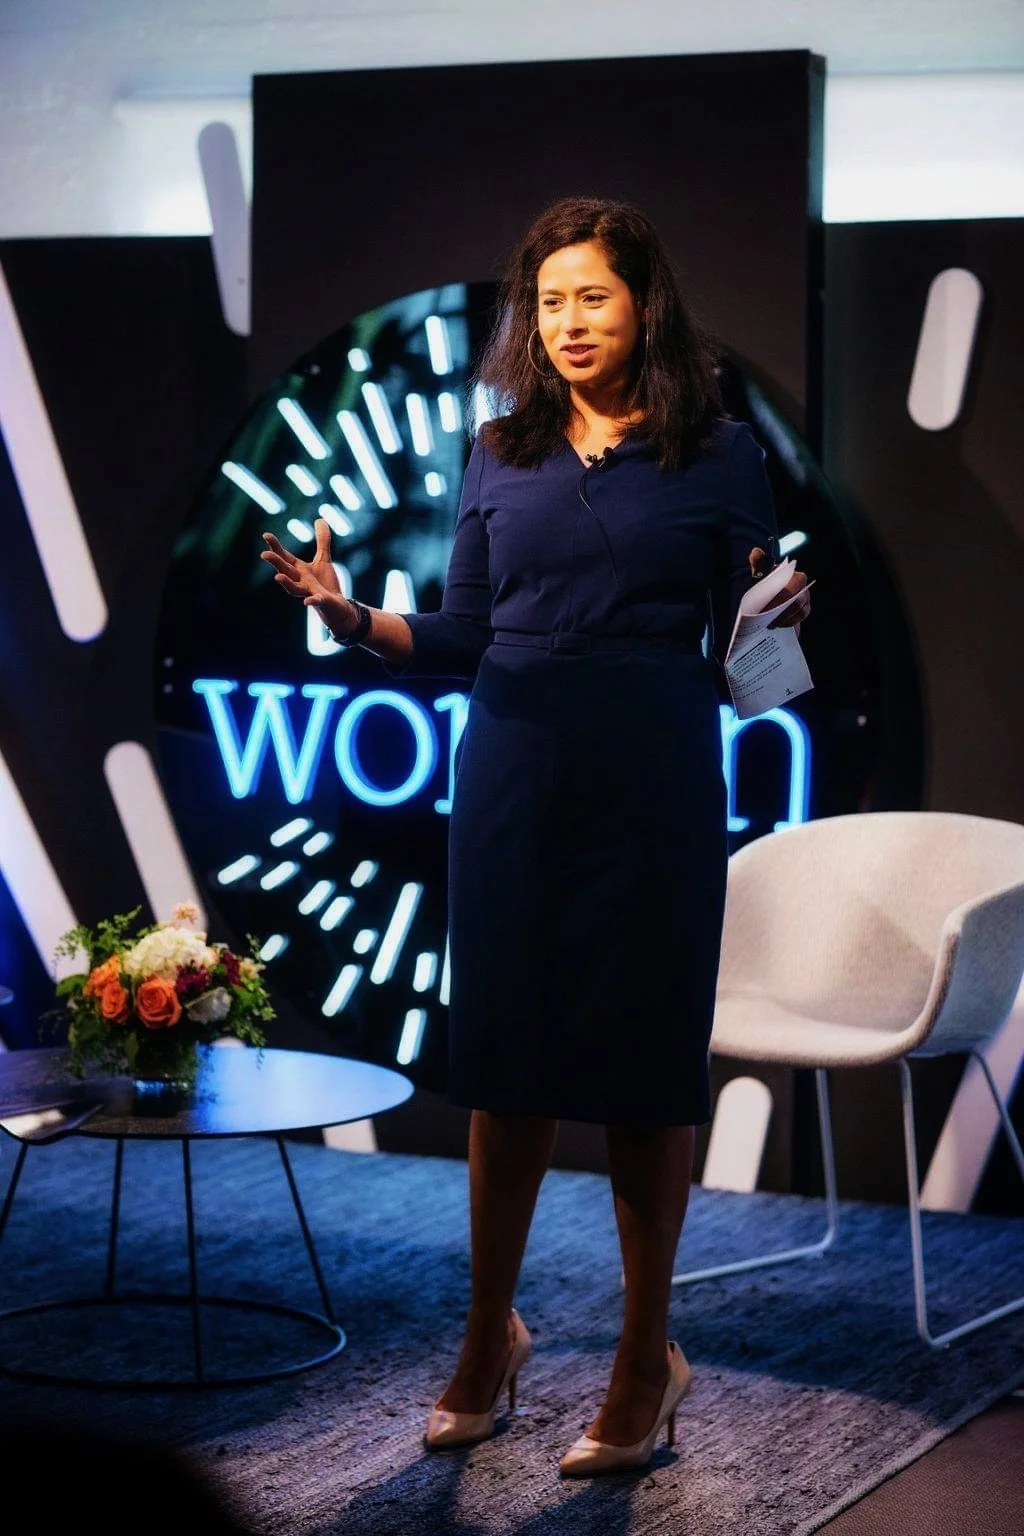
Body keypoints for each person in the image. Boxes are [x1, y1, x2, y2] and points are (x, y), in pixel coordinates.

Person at [260, 195, 810, 1477]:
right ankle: (485, 1339)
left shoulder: (719, 450)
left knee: (643, 1077)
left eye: (592, 297)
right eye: (549, 300)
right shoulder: (497, 450)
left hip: (655, 780)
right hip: (511, 773)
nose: (568, 322)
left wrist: (779, 618)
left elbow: (757, 640)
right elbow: (460, 632)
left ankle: (643, 1363)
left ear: (642, 306)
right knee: (503, 1070)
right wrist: (351, 618)